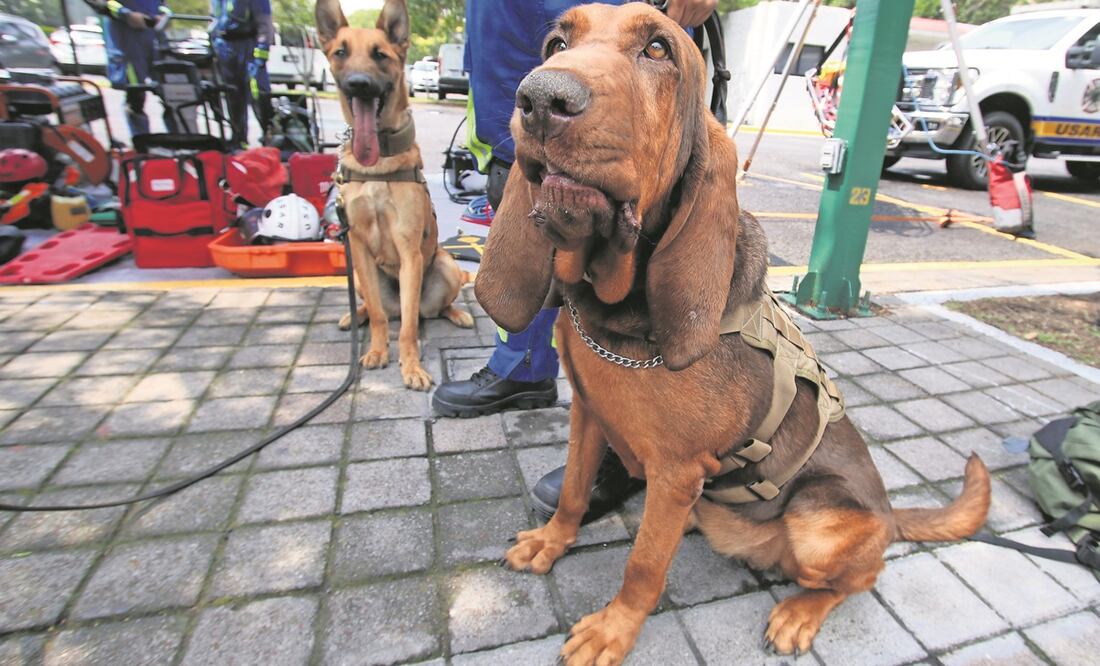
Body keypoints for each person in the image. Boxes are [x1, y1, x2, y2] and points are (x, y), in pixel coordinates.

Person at [432, 0, 718, 523]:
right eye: (559, 48)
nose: (554, 78)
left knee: (634, 288)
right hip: (508, 104)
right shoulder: (538, 91)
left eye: (653, 50)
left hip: (619, 119)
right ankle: (522, 367)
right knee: (558, 274)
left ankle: (625, 445)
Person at [84, 0, 169, 138]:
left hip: (155, 39)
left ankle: (181, 145)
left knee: (171, 94)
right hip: (127, 42)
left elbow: (163, 4)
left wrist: (164, 14)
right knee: (136, 97)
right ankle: (143, 146)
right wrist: (125, 15)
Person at [210, 0, 274, 148]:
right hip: (225, 48)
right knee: (232, 95)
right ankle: (238, 138)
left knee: (258, 94)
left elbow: (264, 23)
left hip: (248, 47)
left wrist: (261, 52)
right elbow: (214, 19)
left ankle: (269, 136)